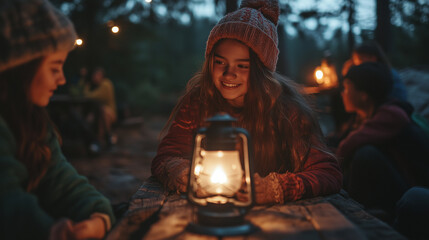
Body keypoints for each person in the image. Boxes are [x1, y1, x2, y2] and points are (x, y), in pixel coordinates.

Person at [151, 0, 342, 205]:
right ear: (210, 62)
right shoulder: (198, 103)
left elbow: (328, 173)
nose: (228, 74)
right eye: (220, 62)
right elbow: (166, 155)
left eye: (242, 66)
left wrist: (278, 187)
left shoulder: (286, 111)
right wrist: (180, 172)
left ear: (261, 72)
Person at [0, 0, 115, 239]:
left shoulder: (33, 122)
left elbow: (60, 180)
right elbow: (7, 201)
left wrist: (98, 217)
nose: (62, 79)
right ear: (20, 69)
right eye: (54, 68)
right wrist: (50, 231)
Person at [336, 62, 429, 222]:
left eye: (347, 87)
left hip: (412, 188)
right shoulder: (367, 116)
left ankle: (355, 211)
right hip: (396, 185)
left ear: (363, 94)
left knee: (365, 153)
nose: (342, 93)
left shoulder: (392, 114)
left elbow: (347, 146)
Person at [342, 41, 408, 102]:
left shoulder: (386, 75)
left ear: (373, 58)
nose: (356, 64)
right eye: (355, 60)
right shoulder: (383, 72)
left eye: (360, 59)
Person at [83, 67, 117, 147]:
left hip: (110, 112)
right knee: (100, 113)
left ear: (102, 76)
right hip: (98, 112)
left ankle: (103, 139)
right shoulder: (95, 85)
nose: (95, 77)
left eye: (98, 75)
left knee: (103, 112)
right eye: (94, 75)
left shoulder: (106, 84)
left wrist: (86, 88)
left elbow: (92, 96)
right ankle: (104, 139)